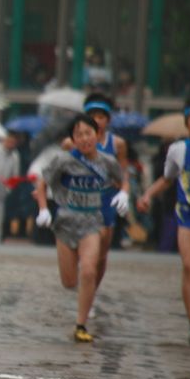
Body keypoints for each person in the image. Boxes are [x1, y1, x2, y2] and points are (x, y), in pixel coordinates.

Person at [35, 113, 128, 343]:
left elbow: (122, 178)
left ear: (97, 135)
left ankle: (81, 324)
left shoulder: (107, 162)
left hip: (92, 222)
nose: (84, 139)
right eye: (79, 134)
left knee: (88, 270)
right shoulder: (64, 160)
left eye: (88, 133)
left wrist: (125, 193)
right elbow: (42, 183)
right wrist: (43, 208)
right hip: (66, 222)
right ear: (72, 139)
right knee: (69, 282)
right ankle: (81, 294)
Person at [135, 95, 190, 346]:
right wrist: (147, 195)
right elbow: (167, 179)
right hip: (187, 216)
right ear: (187, 122)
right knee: (188, 265)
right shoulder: (179, 150)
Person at [62, 93, 130, 287]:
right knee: (80, 250)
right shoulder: (70, 143)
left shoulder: (117, 144)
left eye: (101, 117)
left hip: (105, 201)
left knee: (100, 254)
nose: (97, 121)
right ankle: (80, 279)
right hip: (79, 202)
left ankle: (91, 290)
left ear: (108, 119)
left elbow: (123, 173)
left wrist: (124, 193)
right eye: (93, 116)